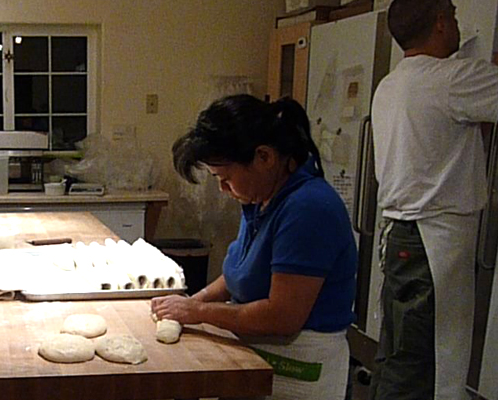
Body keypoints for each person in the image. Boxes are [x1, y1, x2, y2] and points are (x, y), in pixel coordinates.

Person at [369, 1, 498, 400]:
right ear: (441, 23)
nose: (457, 22)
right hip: (431, 245)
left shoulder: (392, 85)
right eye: (453, 14)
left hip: (401, 239)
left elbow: (459, 142)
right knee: (422, 371)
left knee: (399, 359)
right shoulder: (451, 77)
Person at [151, 94, 358, 400]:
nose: (223, 189)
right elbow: (242, 272)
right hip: (257, 352)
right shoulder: (262, 198)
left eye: (226, 178)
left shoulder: (308, 208)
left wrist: (199, 312)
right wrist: (193, 302)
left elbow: (282, 316)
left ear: (264, 157)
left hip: (299, 363)